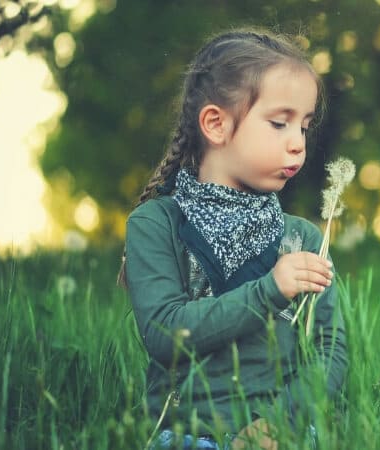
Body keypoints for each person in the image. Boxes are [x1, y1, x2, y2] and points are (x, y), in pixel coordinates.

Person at [116, 28, 348, 449]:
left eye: (305, 126)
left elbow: (330, 351)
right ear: (216, 124)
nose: (298, 144)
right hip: (183, 436)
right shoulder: (156, 225)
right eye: (280, 123)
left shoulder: (303, 237)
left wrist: (279, 424)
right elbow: (166, 335)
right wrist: (270, 291)